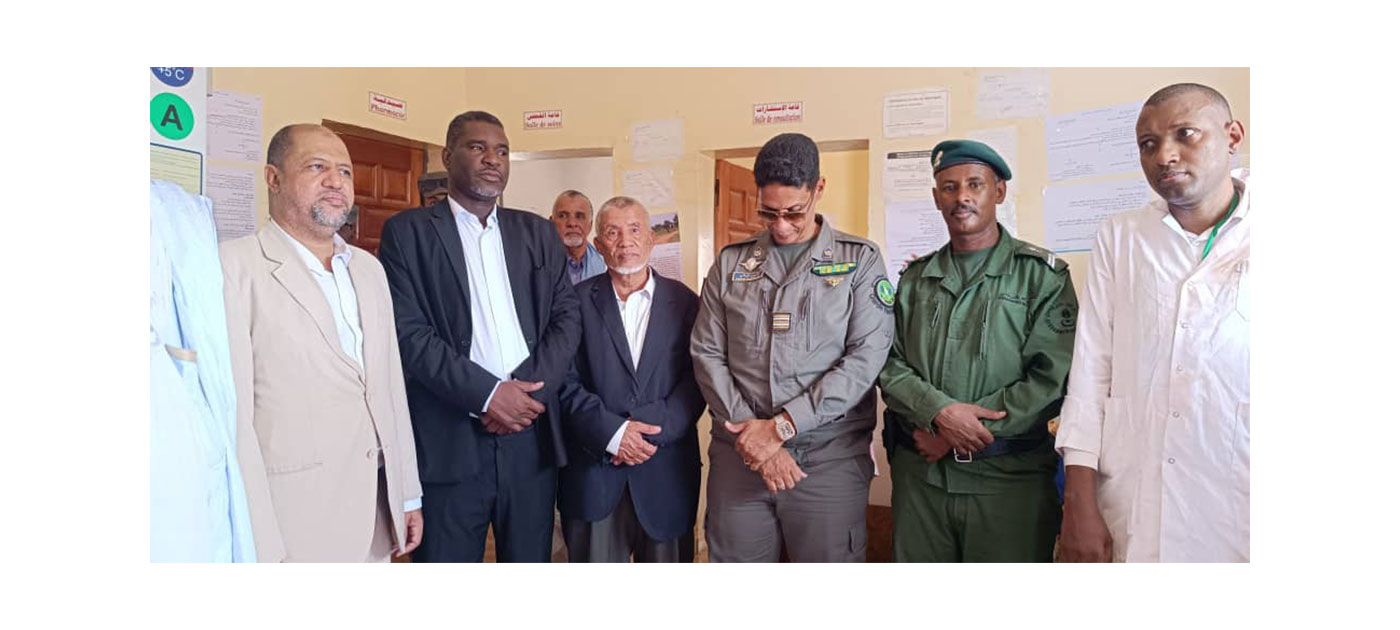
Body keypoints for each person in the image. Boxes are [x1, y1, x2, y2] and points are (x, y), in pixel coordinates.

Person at [1055, 83, 1250, 562]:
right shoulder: (1121, 237)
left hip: (1239, 500)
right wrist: (1078, 503)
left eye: (1186, 134)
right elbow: (1090, 372)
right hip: (1136, 500)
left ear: (1232, 136)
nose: (1165, 155)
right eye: (1148, 144)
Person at [378, 111, 582, 562]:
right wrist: (489, 396)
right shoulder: (408, 234)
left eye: (502, 151)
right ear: (447, 156)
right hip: (450, 439)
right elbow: (409, 334)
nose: (493, 159)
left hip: (529, 438)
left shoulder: (537, 232)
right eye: (478, 148)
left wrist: (525, 396)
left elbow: (566, 318)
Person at [220, 124, 424, 562]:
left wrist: (407, 493)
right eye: (317, 167)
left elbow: (390, 389)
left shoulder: (368, 269)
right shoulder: (234, 267)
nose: (336, 181)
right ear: (273, 178)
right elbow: (232, 417)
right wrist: (257, 537)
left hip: (375, 512)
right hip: (292, 518)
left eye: (345, 171)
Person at [691, 133, 893, 562]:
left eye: (793, 213)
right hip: (741, 456)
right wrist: (756, 439)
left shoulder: (859, 261)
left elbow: (864, 359)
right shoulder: (731, 263)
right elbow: (707, 353)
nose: (781, 226)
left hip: (826, 459)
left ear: (819, 188)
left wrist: (782, 427)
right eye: (768, 213)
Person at [878, 140, 1076, 562]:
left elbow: (1051, 378)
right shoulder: (915, 279)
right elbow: (889, 364)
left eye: (974, 185)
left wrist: (954, 435)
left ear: (998, 191)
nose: (961, 197)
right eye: (949, 188)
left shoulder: (1041, 277)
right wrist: (939, 413)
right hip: (922, 481)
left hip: (1008, 484)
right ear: (936, 198)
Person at [557, 196, 705, 562]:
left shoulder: (686, 303)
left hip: (666, 473)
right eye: (613, 232)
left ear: (652, 239)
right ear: (598, 244)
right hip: (595, 473)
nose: (626, 241)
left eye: (635, 229)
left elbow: (698, 379)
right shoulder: (573, 302)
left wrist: (646, 431)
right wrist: (614, 434)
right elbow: (562, 380)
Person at [551, 190, 608, 284]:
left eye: (579, 216)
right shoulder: (537, 262)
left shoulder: (605, 265)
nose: (572, 223)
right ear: (551, 222)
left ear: (590, 224)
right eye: (563, 216)